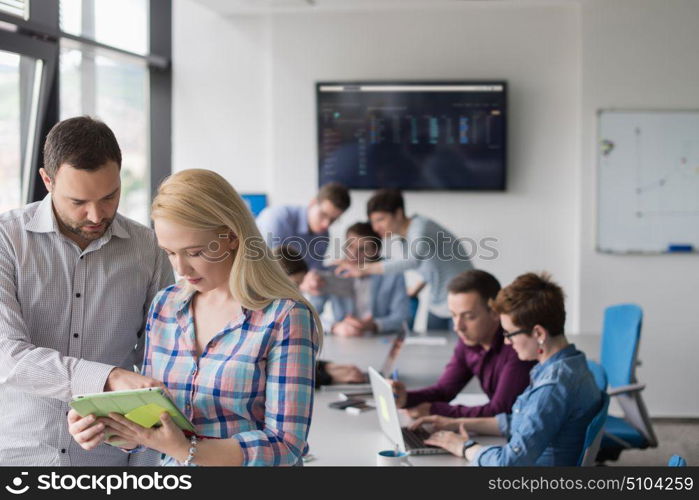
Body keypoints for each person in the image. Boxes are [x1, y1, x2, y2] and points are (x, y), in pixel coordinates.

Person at [68, 169, 322, 466]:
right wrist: (113, 428)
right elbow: (155, 424)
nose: (181, 269)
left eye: (195, 252)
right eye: (170, 253)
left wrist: (185, 449)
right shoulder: (165, 305)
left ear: (231, 237)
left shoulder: (285, 316)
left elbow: (286, 444)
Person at [0, 116, 173, 466]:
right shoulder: (7, 240)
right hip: (18, 453)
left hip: (110, 459)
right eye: (78, 200)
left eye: (110, 196)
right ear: (47, 180)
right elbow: (6, 355)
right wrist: (106, 378)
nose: (96, 214)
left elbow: (166, 359)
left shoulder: (149, 248)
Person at [410, 272, 603, 466]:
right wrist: (456, 423)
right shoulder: (570, 363)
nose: (506, 341)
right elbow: (523, 422)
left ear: (538, 333)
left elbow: (508, 463)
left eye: (509, 333)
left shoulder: (551, 387)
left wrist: (466, 447)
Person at [392, 270, 534, 418]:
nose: (458, 327)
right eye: (453, 315)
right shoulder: (469, 340)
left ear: (494, 313)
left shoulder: (516, 346)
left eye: (469, 317)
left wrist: (434, 410)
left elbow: (500, 410)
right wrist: (405, 398)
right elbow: (444, 391)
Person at [334, 188, 472, 330]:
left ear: (398, 214)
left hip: (462, 300)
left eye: (380, 220)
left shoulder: (420, 228)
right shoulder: (404, 239)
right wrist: (416, 289)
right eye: (373, 222)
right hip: (438, 302)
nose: (375, 228)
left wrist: (364, 269)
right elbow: (428, 265)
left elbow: (413, 261)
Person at [272, 244, 365, 387]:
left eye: (300, 285)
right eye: (295, 285)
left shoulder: (283, 310)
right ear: (274, 281)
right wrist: (328, 375)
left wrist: (326, 367)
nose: (298, 293)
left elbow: (289, 359)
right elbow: (275, 371)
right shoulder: (264, 315)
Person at [256, 182, 350, 298]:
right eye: (323, 214)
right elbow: (269, 270)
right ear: (313, 203)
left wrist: (314, 279)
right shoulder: (277, 219)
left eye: (333, 220)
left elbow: (313, 271)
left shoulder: (323, 236)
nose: (326, 224)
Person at [326, 222, 410, 337]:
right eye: (350, 246)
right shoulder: (334, 272)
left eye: (363, 249)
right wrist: (334, 327)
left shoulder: (393, 273)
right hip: (344, 338)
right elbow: (311, 314)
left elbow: (400, 317)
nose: (353, 254)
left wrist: (374, 325)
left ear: (376, 251)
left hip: (381, 339)